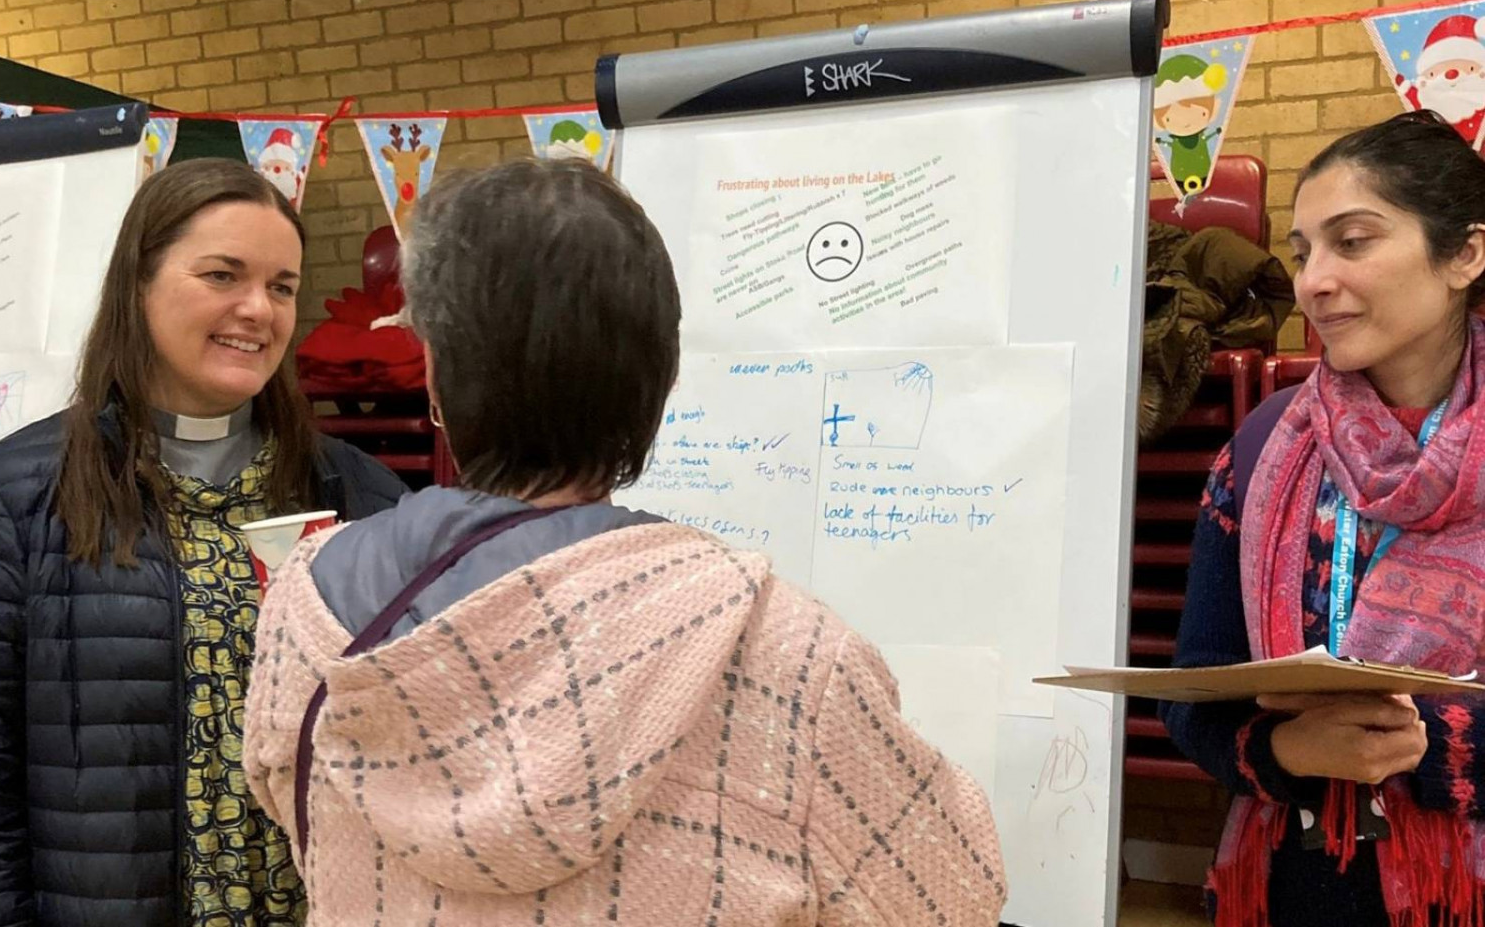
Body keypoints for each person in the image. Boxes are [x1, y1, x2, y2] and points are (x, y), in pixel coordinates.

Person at [243, 158, 1007, 927]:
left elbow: (289, 803)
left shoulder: (305, 610)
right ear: (662, 382)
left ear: (435, 373)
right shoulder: (793, 656)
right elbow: (950, 895)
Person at [0, 159, 408, 927]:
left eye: (282, 286)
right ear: (138, 284)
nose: (258, 309)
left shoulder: (364, 497)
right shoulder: (17, 499)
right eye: (223, 275)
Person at [1161, 110, 1485, 927]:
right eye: (1305, 252)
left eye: (1354, 240)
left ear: (1466, 253)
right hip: (1294, 883)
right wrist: (1285, 753)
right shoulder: (1267, 443)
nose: (1312, 280)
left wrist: (1434, 743)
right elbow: (1194, 693)